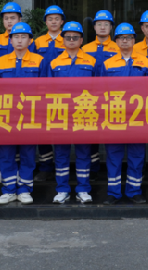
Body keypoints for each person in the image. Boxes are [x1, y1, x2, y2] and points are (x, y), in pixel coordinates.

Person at [44, 21, 97, 204]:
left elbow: (98, 89)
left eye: (75, 37)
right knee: (61, 154)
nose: (72, 40)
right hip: (61, 114)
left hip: (84, 113)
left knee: (83, 153)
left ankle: (83, 189)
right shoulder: (54, 63)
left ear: (81, 40)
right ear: (63, 40)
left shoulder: (91, 61)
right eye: (68, 37)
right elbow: (48, 90)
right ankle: (62, 189)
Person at [98, 23, 148, 205]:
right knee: (113, 155)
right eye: (121, 38)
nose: (125, 40)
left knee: (137, 156)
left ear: (134, 40)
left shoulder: (146, 62)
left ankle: (134, 191)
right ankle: (113, 193)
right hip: (115, 116)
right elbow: (101, 91)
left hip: (138, 117)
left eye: (128, 37)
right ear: (116, 41)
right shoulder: (108, 63)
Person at [0, 22, 42, 205]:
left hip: (30, 115)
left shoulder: (40, 61)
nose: (19, 40)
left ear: (30, 40)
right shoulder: (0, 62)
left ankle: (25, 189)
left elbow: (45, 89)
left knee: (28, 153)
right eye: (16, 37)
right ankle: (8, 190)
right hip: (6, 115)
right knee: (6, 154)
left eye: (23, 36)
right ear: (10, 40)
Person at [32, 4, 66, 180]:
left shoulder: (68, 39)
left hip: (63, 94)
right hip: (42, 93)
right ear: (45, 22)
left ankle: (61, 167)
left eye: (56, 19)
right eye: (50, 19)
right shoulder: (37, 42)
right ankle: (45, 167)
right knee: (42, 131)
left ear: (62, 22)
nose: (53, 22)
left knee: (61, 130)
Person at [82, 9, 117, 173]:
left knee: (111, 134)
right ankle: (93, 169)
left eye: (106, 24)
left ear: (111, 27)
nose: (103, 27)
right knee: (90, 133)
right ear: (94, 27)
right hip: (89, 99)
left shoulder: (118, 48)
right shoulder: (85, 48)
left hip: (111, 99)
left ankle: (112, 170)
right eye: (99, 24)